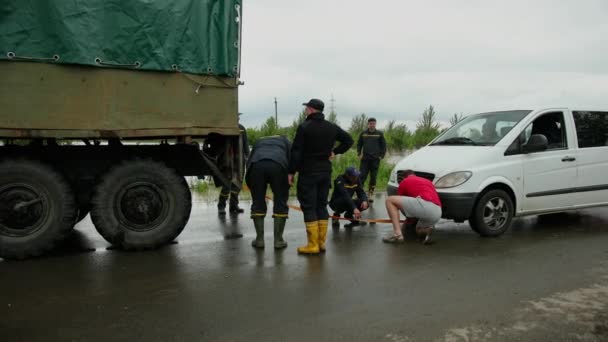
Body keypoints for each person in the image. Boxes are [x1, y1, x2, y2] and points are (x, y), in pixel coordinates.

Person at [289, 98, 353, 254]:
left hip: (308, 173)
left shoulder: (304, 127)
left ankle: (312, 245)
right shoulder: (331, 127)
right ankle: (321, 243)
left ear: (311, 109)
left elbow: (296, 152)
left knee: (309, 206)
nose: (305, 111)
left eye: (306, 108)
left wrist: (291, 172)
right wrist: (335, 151)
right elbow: (349, 140)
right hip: (325, 172)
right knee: (321, 205)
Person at [245, 135, 291, 249]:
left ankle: (259, 240)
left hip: (257, 166)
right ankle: (278, 240)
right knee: (280, 201)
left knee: (258, 202)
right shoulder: (285, 141)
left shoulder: (258, 141)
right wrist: (290, 176)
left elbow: (249, 161)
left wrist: (252, 186)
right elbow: (293, 158)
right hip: (278, 165)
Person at [383, 170, 442, 244]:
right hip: (437, 212)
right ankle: (425, 232)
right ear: (414, 175)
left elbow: (400, 205)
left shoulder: (405, 181)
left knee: (390, 200)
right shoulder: (428, 181)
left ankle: (397, 235)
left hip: (425, 206)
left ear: (404, 177)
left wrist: (407, 221)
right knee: (419, 228)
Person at [218, 118, 250, 215]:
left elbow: (245, 145)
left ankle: (234, 206)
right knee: (226, 185)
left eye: (238, 117)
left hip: (239, 161)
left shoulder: (242, 128)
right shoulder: (224, 129)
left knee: (237, 185)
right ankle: (221, 206)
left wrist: (248, 158)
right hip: (228, 161)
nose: (237, 119)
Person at [357, 117, 386, 202]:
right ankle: (360, 194)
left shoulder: (379, 133)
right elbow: (359, 144)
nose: (372, 125)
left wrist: (382, 156)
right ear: (368, 124)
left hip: (375, 160)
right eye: (370, 123)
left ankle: (370, 194)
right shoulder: (363, 133)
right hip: (365, 159)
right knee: (361, 177)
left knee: (373, 178)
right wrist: (359, 154)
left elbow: (383, 146)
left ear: (375, 124)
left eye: (373, 123)